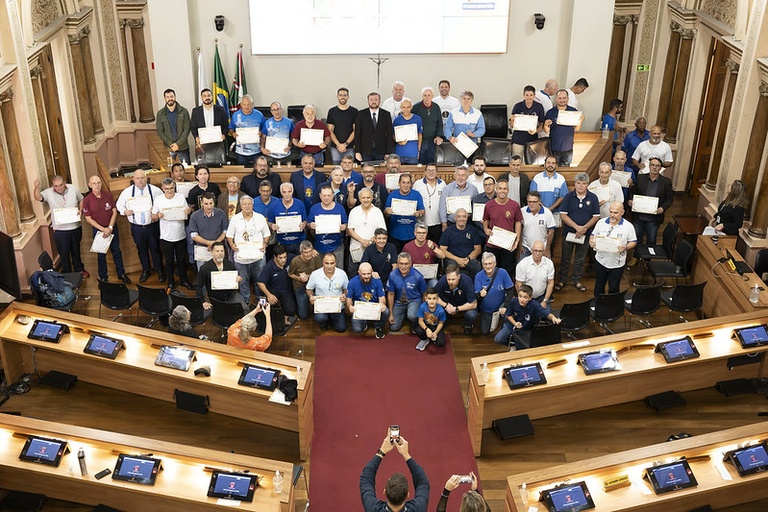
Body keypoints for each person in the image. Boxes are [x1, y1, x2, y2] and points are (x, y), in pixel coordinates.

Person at [360, 432, 429, 512]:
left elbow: (366, 478)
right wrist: (406, 454)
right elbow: (422, 481)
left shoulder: (373, 509)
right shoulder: (418, 508)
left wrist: (382, 452)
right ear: (407, 495)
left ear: (384, 492)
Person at [116, 169, 164, 283]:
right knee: (141, 249)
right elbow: (119, 205)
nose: (140, 180)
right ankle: (145, 270)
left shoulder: (155, 190)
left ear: (146, 178)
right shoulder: (127, 192)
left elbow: (163, 203)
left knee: (155, 248)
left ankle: (160, 270)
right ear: (133, 179)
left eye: (142, 178)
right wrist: (124, 211)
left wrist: (157, 213)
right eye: (137, 178)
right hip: (137, 227)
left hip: (152, 226)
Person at [34, 176, 87, 276]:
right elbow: (38, 197)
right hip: (60, 230)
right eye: (56, 186)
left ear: (65, 183)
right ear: (53, 186)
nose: (59, 188)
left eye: (61, 185)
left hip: (75, 226)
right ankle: (67, 273)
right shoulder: (49, 192)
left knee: (76, 250)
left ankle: (79, 269)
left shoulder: (73, 188)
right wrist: (36, 187)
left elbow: (81, 199)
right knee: (64, 253)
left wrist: (81, 209)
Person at [556, 173, 600, 293]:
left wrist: (584, 228)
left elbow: (596, 216)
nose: (581, 186)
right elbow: (563, 215)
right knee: (565, 258)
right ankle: (562, 280)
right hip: (569, 233)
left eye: (584, 183)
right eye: (578, 183)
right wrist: (577, 227)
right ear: (575, 184)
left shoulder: (593, 197)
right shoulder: (568, 197)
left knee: (580, 259)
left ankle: (576, 280)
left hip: (585, 234)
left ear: (587, 184)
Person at [82, 175, 129, 283]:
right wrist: (103, 229)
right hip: (98, 231)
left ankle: (121, 273)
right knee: (101, 255)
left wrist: (110, 227)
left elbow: (114, 211)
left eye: (98, 183)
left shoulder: (108, 195)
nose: (97, 185)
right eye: (94, 183)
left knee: (116, 251)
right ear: (90, 185)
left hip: (112, 228)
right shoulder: (87, 200)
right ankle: (103, 277)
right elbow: (88, 219)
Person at [226, 195, 271, 304]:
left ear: (252, 205)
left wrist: (265, 244)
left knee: (259, 281)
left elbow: (267, 234)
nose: (247, 206)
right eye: (244, 204)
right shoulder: (235, 218)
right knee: (243, 282)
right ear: (240, 205)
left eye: (249, 204)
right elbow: (229, 235)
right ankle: (245, 303)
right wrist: (232, 245)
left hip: (258, 256)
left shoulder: (260, 217)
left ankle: (260, 302)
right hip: (241, 258)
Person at [151, 177, 193, 290]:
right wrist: (157, 216)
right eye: (167, 189)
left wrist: (188, 211)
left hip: (180, 235)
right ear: (162, 188)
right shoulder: (158, 200)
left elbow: (187, 211)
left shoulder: (181, 197)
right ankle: (170, 282)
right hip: (166, 236)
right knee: (169, 261)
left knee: (181, 260)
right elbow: (153, 217)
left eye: (172, 188)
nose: (170, 191)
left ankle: (184, 280)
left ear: (174, 187)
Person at [590, 202, 637, 297]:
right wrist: (592, 241)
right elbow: (593, 235)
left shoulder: (628, 226)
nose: (612, 215)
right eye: (610, 212)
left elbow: (633, 241)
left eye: (615, 213)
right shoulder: (601, 222)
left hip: (617, 263)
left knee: (614, 288)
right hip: (601, 260)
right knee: (599, 286)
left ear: (622, 212)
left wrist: (626, 247)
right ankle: (598, 304)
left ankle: (612, 307)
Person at [494, 284, 561, 347]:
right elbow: (508, 315)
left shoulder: (534, 305)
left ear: (530, 298)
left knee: (524, 345)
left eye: (525, 297)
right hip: (511, 325)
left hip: (526, 329)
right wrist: (515, 323)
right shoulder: (513, 301)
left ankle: (517, 344)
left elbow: (547, 314)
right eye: (520, 296)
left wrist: (553, 318)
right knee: (498, 339)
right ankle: (513, 345)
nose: (522, 300)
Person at [629, 157, 674, 249]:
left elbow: (669, 199)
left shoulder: (666, 182)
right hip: (639, 215)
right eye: (652, 165)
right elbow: (633, 193)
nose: (654, 167)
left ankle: (648, 260)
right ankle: (636, 257)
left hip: (654, 217)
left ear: (660, 168)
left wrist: (663, 208)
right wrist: (630, 200)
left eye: (657, 166)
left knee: (651, 239)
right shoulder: (640, 178)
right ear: (649, 166)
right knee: (637, 238)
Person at [482, 179, 522, 277]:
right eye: (500, 188)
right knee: (492, 271)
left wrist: (517, 241)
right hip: (492, 245)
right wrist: (486, 229)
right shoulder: (489, 205)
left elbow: (518, 222)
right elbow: (485, 220)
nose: (502, 191)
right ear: (496, 189)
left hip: (508, 245)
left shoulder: (515, 205)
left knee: (508, 270)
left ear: (508, 190)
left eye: (505, 189)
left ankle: (507, 291)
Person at [257, 244, 298, 332]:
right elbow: (260, 282)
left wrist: (312, 251)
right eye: (281, 258)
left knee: (291, 310)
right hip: (273, 290)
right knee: (268, 306)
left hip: (287, 290)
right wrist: (269, 295)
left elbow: (301, 256)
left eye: (285, 257)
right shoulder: (269, 266)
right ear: (275, 257)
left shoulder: (290, 258)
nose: (284, 260)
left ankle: (285, 318)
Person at [348, 187, 387, 274]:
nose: (366, 200)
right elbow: (350, 230)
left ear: (372, 198)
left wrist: (370, 241)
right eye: (363, 198)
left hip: (373, 247)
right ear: (359, 198)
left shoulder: (377, 212)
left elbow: (382, 230)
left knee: (371, 272)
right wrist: (362, 241)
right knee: (354, 273)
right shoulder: (354, 211)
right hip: (356, 248)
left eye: (368, 197)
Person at [307, 252, 348, 332]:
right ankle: (324, 322)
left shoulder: (342, 274)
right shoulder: (315, 274)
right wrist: (311, 296)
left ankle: (332, 318)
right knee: (320, 318)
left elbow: (347, 289)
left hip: (337, 306)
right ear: (323, 263)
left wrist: (345, 295)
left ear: (335, 263)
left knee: (341, 329)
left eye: (332, 263)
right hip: (321, 306)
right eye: (327, 263)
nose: (329, 266)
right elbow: (309, 289)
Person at [474, 252, 514, 335]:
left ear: (495, 263)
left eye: (490, 263)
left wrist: (505, 306)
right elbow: (476, 296)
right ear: (482, 265)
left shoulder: (502, 272)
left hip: (501, 307)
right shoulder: (478, 276)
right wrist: (480, 294)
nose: (488, 266)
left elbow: (510, 290)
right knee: (485, 332)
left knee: (505, 322)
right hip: (486, 310)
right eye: (485, 264)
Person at [346, 262, 388, 338]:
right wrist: (350, 306)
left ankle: (378, 327)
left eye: (368, 274)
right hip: (360, 309)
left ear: (372, 271)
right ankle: (364, 324)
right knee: (357, 329)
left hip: (374, 308)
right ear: (359, 272)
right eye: (364, 274)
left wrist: (382, 304)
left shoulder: (377, 281)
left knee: (386, 311)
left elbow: (382, 297)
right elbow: (349, 298)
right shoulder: (352, 282)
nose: (366, 276)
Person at [309, 185, 348, 267]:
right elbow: (308, 224)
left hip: (337, 246)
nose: (326, 198)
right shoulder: (314, 208)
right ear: (320, 196)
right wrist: (310, 225)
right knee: (320, 271)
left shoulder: (340, 208)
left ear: (333, 195)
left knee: (338, 271)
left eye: (329, 195)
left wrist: (344, 227)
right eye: (324, 195)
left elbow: (346, 224)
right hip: (319, 246)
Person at [387, 252, 427, 332]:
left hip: (414, 300)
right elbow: (391, 294)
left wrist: (424, 311)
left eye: (406, 264)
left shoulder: (417, 276)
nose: (403, 266)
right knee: (393, 327)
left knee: (412, 315)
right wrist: (391, 313)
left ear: (410, 264)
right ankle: (403, 315)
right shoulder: (392, 275)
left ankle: (415, 322)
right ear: (397, 264)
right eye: (401, 263)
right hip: (399, 302)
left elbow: (424, 293)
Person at [195, 241, 242, 309]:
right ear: (211, 252)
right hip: (215, 298)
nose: (220, 253)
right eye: (217, 251)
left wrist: (239, 278)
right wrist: (203, 301)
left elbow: (236, 277)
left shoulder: (229, 264)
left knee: (243, 309)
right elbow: (198, 285)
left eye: (222, 251)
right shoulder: (205, 268)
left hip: (231, 295)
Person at [386, 173, 425, 253]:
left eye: (408, 183)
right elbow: (386, 213)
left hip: (411, 234)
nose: (405, 185)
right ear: (399, 183)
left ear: (411, 184)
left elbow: (422, 210)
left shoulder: (416, 194)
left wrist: (419, 213)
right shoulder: (392, 195)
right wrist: (387, 212)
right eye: (403, 182)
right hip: (395, 234)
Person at [189, 192, 229, 269]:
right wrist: (209, 243)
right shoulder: (195, 216)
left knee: (219, 273)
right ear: (202, 204)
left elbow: (225, 231)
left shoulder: (220, 213)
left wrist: (215, 243)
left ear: (214, 202)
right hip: (202, 249)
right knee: (202, 273)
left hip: (218, 249)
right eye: (206, 204)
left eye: (211, 203)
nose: (209, 206)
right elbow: (194, 235)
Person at [435, 264, 478, 335]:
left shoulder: (466, 281)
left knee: (471, 314)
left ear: (459, 276)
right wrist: (446, 305)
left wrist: (456, 309)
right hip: (448, 303)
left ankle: (468, 325)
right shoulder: (443, 280)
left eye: (453, 279)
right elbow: (434, 296)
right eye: (448, 279)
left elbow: (474, 304)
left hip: (463, 304)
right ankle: (443, 321)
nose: (451, 282)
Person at [544, 89, 583, 166]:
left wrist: (580, 120)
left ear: (568, 99)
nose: (562, 100)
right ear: (556, 99)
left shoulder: (573, 111)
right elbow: (546, 131)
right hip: (554, 148)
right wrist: (545, 125)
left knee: (566, 170)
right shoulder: (550, 112)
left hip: (568, 148)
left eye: (564, 98)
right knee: (553, 169)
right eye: (560, 98)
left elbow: (577, 129)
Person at [270, 182, 308, 260]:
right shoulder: (275, 205)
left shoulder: (299, 204)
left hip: (298, 241)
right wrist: (272, 226)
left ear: (292, 191)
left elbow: (305, 220)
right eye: (284, 192)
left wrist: (303, 224)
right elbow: (270, 221)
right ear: (281, 192)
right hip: (282, 242)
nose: (287, 194)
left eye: (289, 191)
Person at [440, 209, 483, 278]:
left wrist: (468, 259)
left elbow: (478, 248)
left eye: (464, 216)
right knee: (452, 267)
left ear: (467, 218)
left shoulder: (472, 230)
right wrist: (457, 259)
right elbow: (442, 249)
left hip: (468, 259)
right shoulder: (448, 231)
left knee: (476, 266)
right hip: (453, 259)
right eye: (459, 216)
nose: (461, 219)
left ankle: (474, 288)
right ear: (455, 218)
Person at [516, 240, 555, 312]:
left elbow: (550, 283)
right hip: (527, 297)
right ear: (531, 250)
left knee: (547, 314)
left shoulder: (549, 263)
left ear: (543, 252)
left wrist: (545, 300)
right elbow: (518, 284)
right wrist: (524, 299)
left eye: (540, 251)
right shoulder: (522, 264)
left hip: (541, 297)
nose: (537, 253)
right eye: (535, 250)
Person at [530, 156, 568, 230]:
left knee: (553, 236)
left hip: (555, 213)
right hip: (539, 212)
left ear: (556, 165)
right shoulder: (537, 178)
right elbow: (533, 196)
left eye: (553, 163)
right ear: (544, 164)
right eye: (548, 163)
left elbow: (562, 197)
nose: (550, 165)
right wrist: (544, 208)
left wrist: (551, 208)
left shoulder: (561, 179)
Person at [355, 92, 394, 162]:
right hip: (365, 150)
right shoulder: (361, 114)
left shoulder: (386, 114)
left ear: (379, 101)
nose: (373, 102)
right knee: (366, 171)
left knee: (380, 171)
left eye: (376, 99)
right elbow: (357, 134)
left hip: (381, 151)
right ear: (368, 101)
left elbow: (389, 134)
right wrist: (357, 151)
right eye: (371, 100)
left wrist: (388, 152)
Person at [411, 163, 446, 244]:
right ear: (425, 172)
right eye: (429, 170)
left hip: (437, 222)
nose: (431, 172)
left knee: (435, 246)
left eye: (433, 170)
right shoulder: (417, 184)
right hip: (422, 223)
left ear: (437, 172)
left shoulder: (442, 184)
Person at [288, 240, 322, 320]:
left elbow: (320, 272)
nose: (308, 254)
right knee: (303, 315)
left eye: (310, 251)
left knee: (319, 310)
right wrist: (299, 278)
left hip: (314, 286)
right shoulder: (295, 261)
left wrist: (308, 276)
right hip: (300, 286)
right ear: (301, 252)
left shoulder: (315, 256)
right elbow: (290, 274)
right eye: (305, 252)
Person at [156, 88, 191, 164]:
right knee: (171, 170)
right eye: (167, 97)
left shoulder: (183, 111)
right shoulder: (160, 113)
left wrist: (177, 144)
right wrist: (171, 144)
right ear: (164, 98)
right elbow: (160, 131)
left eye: (171, 96)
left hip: (183, 147)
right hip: (168, 149)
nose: (170, 99)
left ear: (175, 97)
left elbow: (187, 129)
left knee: (187, 170)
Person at [228, 94, 265, 167]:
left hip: (256, 151)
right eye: (244, 104)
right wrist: (233, 133)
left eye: (248, 104)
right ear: (241, 104)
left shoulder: (259, 115)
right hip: (241, 152)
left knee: (257, 172)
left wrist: (261, 132)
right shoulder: (235, 115)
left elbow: (265, 129)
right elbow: (231, 128)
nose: (246, 107)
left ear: (252, 104)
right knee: (242, 173)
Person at [509, 85, 545, 157]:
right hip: (518, 140)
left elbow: (541, 124)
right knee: (516, 161)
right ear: (523, 95)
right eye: (527, 95)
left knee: (530, 163)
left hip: (532, 140)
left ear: (534, 95)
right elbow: (512, 125)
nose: (529, 97)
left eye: (531, 95)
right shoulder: (517, 106)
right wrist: (511, 120)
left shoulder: (539, 107)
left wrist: (536, 130)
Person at [189, 88, 228, 155]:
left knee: (218, 164)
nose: (207, 98)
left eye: (209, 95)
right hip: (202, 144)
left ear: (212, 96)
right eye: (204, 96)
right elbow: (193, 127)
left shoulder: (221, 110)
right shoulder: (196, 111)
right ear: (201, 98)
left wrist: (223, 134)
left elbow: (226, 125)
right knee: (204, 165)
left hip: (217, 143)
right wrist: (196, 137)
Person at [412, 86, 444, 164]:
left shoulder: (436, 107)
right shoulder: (416, 107)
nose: (427, 97)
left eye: (429, 95)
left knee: (431, 163)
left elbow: (440, 124)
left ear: (432, 96)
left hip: (432, 142)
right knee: (420, 163)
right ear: (422, 96)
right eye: (425, 95)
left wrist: (438, 136)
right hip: (420, 141)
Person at [520, 191, 556, 260]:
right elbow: (519, 228)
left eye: (534, 202)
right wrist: (520, 245)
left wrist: (547, 248)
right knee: (520, 267)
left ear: (539, 202)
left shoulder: (547, 213)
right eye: (529, 202)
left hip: (542, 248)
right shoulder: (522, 211)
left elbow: (551, 231)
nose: (531, 204)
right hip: (525, 247)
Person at [327, 87, 358, 164]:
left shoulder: (354, 111)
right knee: (336, 171)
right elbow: (330, 130)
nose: (342, 97)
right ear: (337, 96)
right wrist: (339, 145)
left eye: (345, 95)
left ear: (348, 97)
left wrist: (345, 144)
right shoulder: (332, 111)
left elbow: (355, 130)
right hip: (335, 147)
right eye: (340, 95)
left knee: (349, 169)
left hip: (350, 147)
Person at [392, 98, 422, 164]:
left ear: (411, 107)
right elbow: (393, 135)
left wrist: (419, 149)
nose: (406, 109)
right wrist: (398, 141)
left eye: (408, 107)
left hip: (413, 153)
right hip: (399, 153)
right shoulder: (397, 120)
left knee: (413, 173)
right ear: (401, 108)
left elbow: (420, 134)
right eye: (404, 107)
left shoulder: (418, 119)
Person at [471, 175, 496, 243]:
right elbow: (474, 217)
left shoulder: (499, 198)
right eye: (485, 185)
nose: (488, 186)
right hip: (480, 232)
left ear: (494, 185)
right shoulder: (477, 198)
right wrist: (484, 228)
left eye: (490, 184)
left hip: (495, 232)